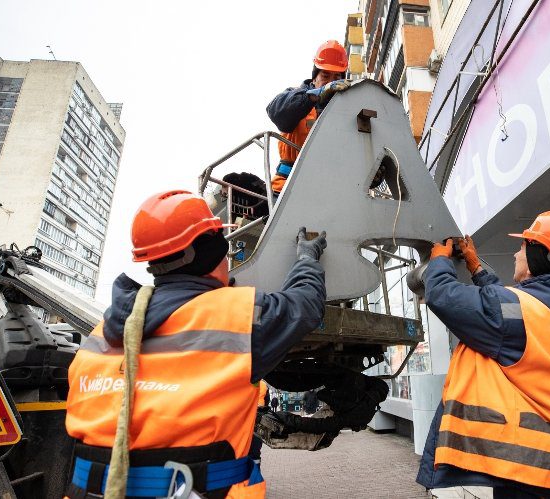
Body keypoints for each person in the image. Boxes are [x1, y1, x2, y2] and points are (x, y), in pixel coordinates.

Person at [65, 189, 327, 499]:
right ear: (213, 250)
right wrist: (307, 259)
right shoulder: (237, 316)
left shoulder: (101, 331)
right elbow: (305, 304)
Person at [416, 211, 550, 499]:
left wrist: (438, 261)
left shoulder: (517, 313)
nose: (516, 253)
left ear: (540, 257)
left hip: (542, 469)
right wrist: (475, 267)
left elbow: (445, 296)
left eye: (523, 247)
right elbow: (507, 309)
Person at [266, 40, 350, 195]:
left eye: (336, 77)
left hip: (330, 191)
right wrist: (313, 97)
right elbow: (276, 112)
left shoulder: (347, 112)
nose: (331, 82)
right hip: (287, 189)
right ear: (314, 79)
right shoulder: (295, 97)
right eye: (325, 75)